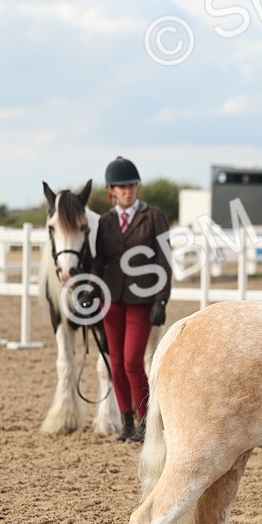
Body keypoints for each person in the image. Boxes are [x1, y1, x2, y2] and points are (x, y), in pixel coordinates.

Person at [94, 156, 172, 443]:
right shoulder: (105, 222)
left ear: (137, 187)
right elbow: (99, 263)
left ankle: (145, 421)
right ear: (111, 191)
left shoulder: (153, 217)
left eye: (132, 185)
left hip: (142, 299)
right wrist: (89, 291)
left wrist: (161, 300)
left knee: (131, 362)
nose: (127, 191)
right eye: (121, 187)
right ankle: (126, 422)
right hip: (111, 300)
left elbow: (164, 260)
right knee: (115, 362)